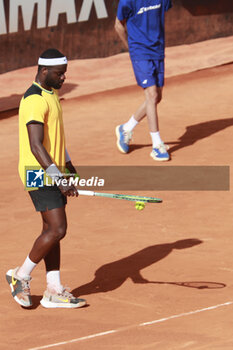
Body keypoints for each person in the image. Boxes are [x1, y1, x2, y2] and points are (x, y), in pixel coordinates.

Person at [6, 48, 87, 309]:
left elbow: (55, 138)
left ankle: (53, 290)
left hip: (52, 170)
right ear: (44, 71)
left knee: (51, 231)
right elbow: (36, 145)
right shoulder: (33, 99)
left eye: (65, 73)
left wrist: (69, 168)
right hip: (37, 172)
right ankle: (21, 276)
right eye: (59, 74)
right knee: (57, 228)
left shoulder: (52, 95)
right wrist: (58, 178)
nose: (64, 78)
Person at [115, 0, 172, 161]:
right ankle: (156, 145)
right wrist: (131, 49)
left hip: (158, 51)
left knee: (156, 98)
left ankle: (126, 128)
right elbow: (118, 25)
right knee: (152, 95)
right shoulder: (127, 1)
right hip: (140, 52)